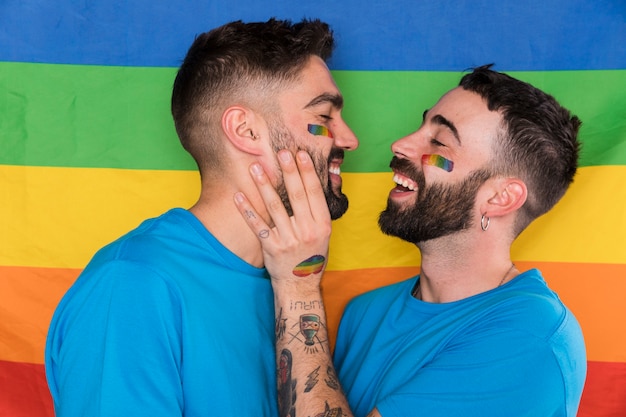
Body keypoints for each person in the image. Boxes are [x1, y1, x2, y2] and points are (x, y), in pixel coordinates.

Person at [45, 18, 358, 416]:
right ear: (245, 131)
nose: (349, 139)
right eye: (325, 117)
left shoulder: (288, 282)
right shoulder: (132, 285)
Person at [235, 65, 587, 417]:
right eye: (422, 126)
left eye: (439, 143)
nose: (400, 145)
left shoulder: (531, 336)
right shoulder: (365, 312)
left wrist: (298, 286)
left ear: (501, 198)